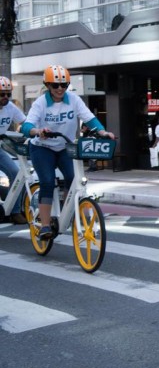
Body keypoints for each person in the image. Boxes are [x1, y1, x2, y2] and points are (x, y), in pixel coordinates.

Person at [21, 65, 115, 240]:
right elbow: (26, 126)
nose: (60, 89)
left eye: (64, 85)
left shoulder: (74, 99)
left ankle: (66, 212)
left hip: (65, 147)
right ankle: (45, 225)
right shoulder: (40, 103)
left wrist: (103, 132)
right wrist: (38, 131)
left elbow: (90, 119)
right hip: (42, 147)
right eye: (55, 85)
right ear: (47, 85)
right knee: (48, 181)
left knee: (73, 179)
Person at [0, 76, 27, 224]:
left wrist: (32, 129)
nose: (5, 97)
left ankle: (15, 212)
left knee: (16, 173)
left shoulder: (10, 107)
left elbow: (25, 122)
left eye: (8, 94)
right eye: (2, 94)